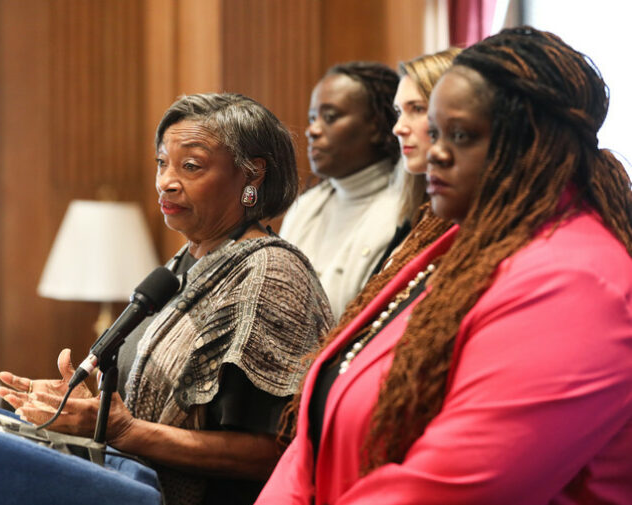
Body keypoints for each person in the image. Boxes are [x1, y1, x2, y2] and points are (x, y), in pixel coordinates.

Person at [257, 27, 632, 504]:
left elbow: (448, 490)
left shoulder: (579, 284)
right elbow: (311, 441)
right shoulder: (452, 244)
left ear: (533, 143)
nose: (435, 151)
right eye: (435, 132)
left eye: (461, 135)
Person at [0, 93, 334, 505]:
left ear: (252, 175)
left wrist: (124, 432)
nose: (166, 181)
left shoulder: (271, 278)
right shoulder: (185, 262)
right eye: (162, 163)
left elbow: (277, 452)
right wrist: (90, 410)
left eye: (190, 166)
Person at [278, 61, 402, 319]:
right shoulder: (306, 206)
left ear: (378, 127)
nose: (313, 130)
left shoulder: (403, 213)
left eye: (330, 117)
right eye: (313, 118)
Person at [368, 47, 461, 277]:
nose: (398, 128)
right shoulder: (416, 213)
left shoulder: (465, 224)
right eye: (399, 112)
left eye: (417, 109)